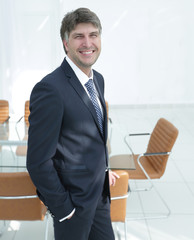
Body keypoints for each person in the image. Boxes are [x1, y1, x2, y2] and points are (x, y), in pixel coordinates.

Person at [27, 7, 119, 240]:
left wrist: (103, 169)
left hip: (98, 195)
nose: (88, 43)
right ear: (66, 43)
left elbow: (93, 136)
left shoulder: (97, 79)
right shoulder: (50, 89)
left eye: (93, 35)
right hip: (73, 205)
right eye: (79, 36)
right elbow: (38, 161)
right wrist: (64, 208)